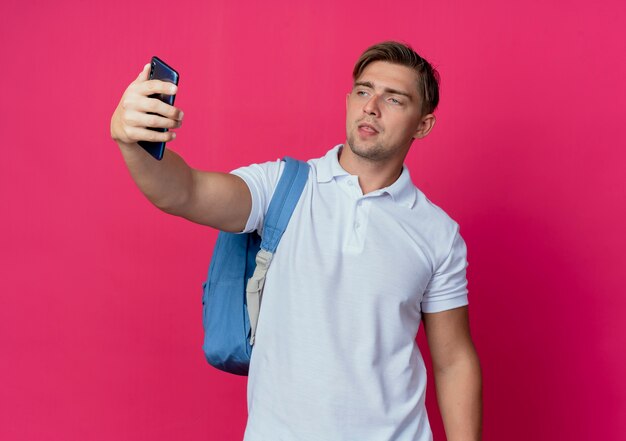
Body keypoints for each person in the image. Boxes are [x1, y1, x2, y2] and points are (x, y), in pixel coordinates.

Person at [111, 41, 482, 441]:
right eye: (363, 91)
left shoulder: (437, 233)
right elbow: (184, 192)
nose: (371, 106)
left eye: (394, 99)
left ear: (422, 124)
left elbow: (453, 361)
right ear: (348, 101)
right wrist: (133, 142)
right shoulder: (282, 187)